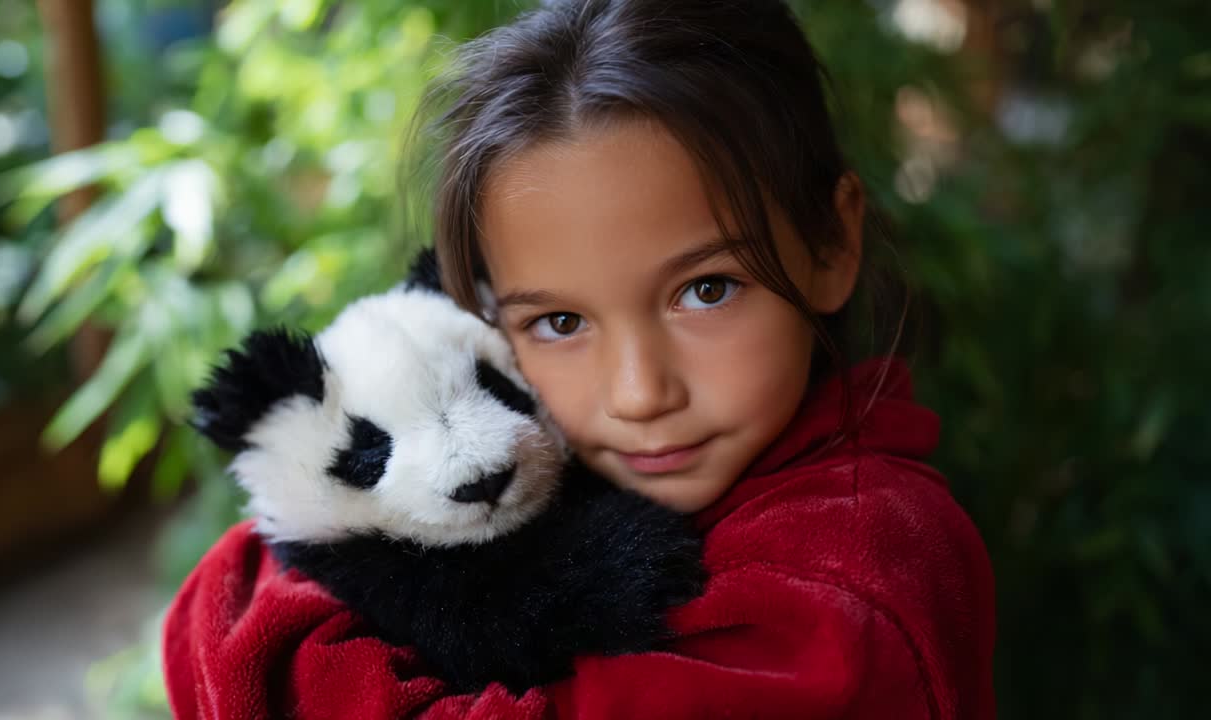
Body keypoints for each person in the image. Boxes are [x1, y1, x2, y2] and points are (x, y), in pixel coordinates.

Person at [163, 0, 996, 717]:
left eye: (706, 290)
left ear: (830, 243)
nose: (638, 395)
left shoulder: (854, 585)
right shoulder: (584, 467)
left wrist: (258, 617)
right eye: (560, 320)